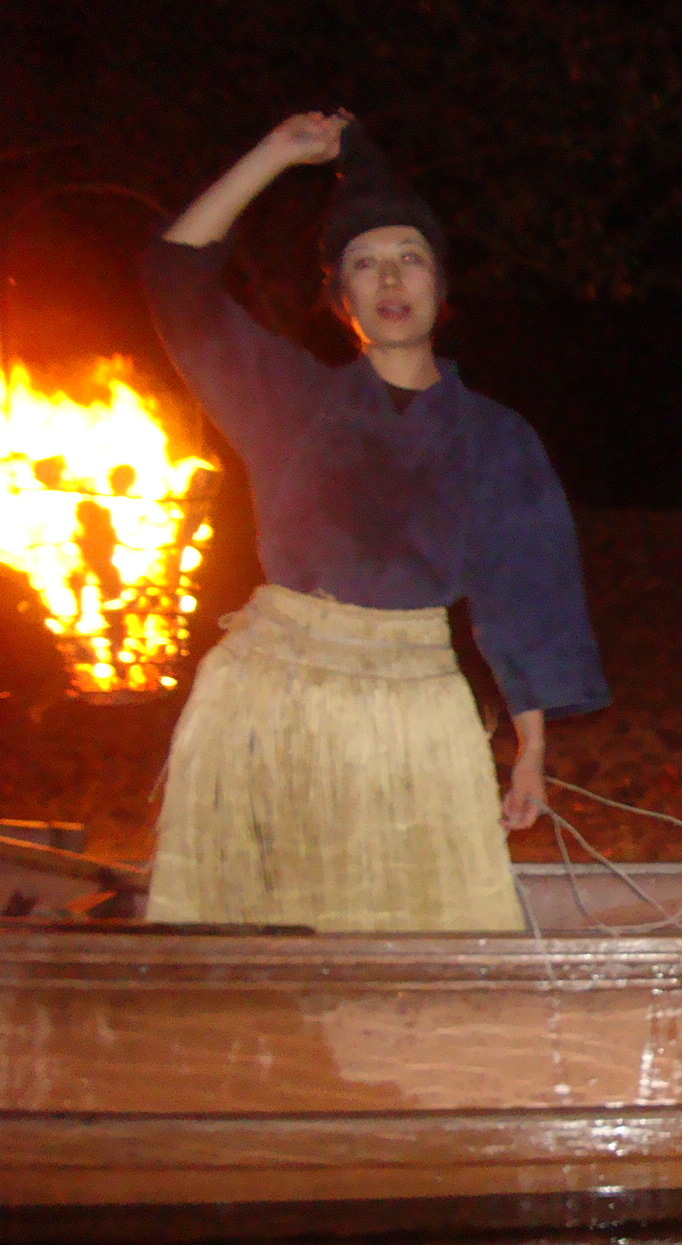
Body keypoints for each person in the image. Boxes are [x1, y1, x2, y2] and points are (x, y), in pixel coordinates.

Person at [141, 112, 609, 930]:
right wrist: (275, 154)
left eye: (410, 258)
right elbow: (176, 277)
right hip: (270, 702)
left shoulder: (497, 439)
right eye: (365, 263)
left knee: (433, 943)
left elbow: (525, 600)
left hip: (417, 708)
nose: (390, 278)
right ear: (342, 299)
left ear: (440, 288)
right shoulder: (290, 400)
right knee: (255, 947)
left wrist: (531, 752)